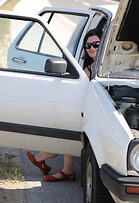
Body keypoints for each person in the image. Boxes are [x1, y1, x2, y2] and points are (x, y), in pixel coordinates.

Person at [26, 28, 102, 182]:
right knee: (62, 116)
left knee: (69, 122)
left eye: (96, 44)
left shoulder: (107, 66)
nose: (92, 49)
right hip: (87, 108)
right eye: (88, 46)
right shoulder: (88, 68)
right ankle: (61, 164)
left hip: (100, 111)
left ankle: (49, 154)